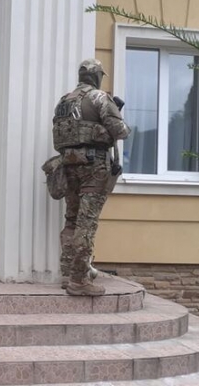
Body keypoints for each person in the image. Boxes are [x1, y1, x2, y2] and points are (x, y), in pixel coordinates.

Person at [51, 58, 130, 296]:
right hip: (94, 168)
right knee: (87, 223)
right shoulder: (99, 98)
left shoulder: (64, 101)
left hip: (68, 166)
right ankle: (79, 280)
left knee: (71, 220)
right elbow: (121, 131)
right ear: (97, 76)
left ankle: (68, 274)